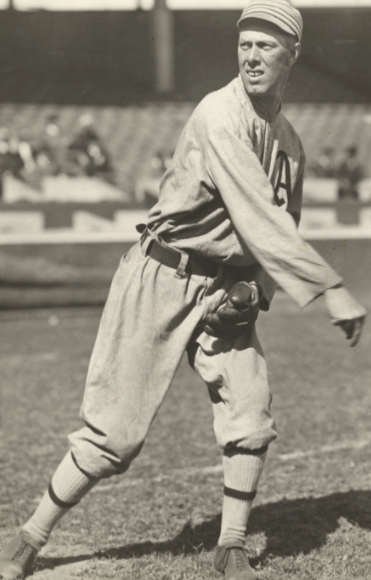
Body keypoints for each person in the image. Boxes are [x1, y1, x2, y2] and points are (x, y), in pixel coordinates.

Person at [0, 2, 366, 580]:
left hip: (222, 287)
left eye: (266, 46)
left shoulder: (290, 145)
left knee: (251, 413)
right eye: (244, 44)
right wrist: (331, 289)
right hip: (160, 276)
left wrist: (250, 292)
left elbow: (280, 230)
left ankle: (231, 547)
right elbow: (257, 218)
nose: (251, 56)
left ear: (292, 55)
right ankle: (29, 537)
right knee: (114, 437)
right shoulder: (218, 113)